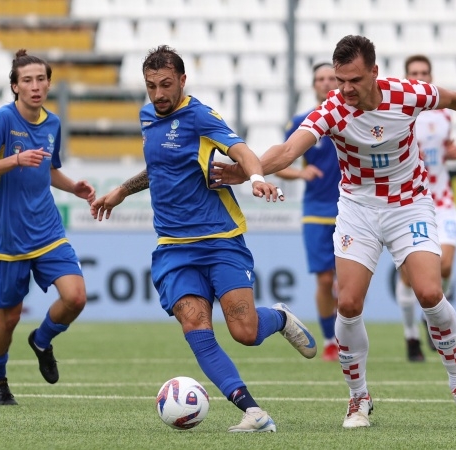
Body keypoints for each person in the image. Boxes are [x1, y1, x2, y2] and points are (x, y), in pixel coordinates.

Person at [211, 35, 456, 429]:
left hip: (410, 205)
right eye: (340, 80)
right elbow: (289, 151)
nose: (345, 89)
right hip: (358, 210)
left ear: (374, 72)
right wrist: (252, 171)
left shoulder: (407, 93)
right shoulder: (334, 110)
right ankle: (358, 399)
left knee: (429, 291)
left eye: (354, 79)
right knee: (350, 303)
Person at [89, 45, 317, 433]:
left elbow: (240, 149)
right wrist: (122, 191)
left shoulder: (199, 116)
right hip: (173, 248)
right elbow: (158, 168)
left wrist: (257, 177)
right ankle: (253, 411)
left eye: (165, 84)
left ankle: (278, 318)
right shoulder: (148, 117)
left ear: (182, 80)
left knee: (244, 332)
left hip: (221, 240)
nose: (158, 94)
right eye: (150, 86)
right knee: (195, 324)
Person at [0, 49, 96, 405]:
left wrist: (73, 186)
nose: (35, 86)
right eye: (27, 80)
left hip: (47, 230)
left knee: (76, 297)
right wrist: (14, 159)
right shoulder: (1, 121)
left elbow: (48, 168)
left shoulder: (53, 123)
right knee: (8, 318)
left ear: (49, 83)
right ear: (15, 86)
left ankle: (41, 339)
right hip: (9, 236)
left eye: (41, 79)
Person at [397, 54, 456, 362]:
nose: (420, 77)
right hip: (410, 202)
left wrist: (452, 152)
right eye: (414, 73)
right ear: (406, 77)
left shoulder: (444, 114)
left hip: (443, 201)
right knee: (409, 278)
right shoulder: (398, 114)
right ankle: (411, 338)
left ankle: (432, 315)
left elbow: (447, 149)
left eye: (425, 73)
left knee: (445, 266)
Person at [274, 62, 341, 362]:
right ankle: (330, 339)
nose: (326, 83)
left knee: (348, 284)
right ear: (313, 85)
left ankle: (346, 337)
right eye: (320, 79)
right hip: (315, 210)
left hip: (350, 210)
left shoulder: (354, 117)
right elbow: (281, 162)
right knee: (326, 281)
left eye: (331, 78)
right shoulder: (303, 122)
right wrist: (301, 174)